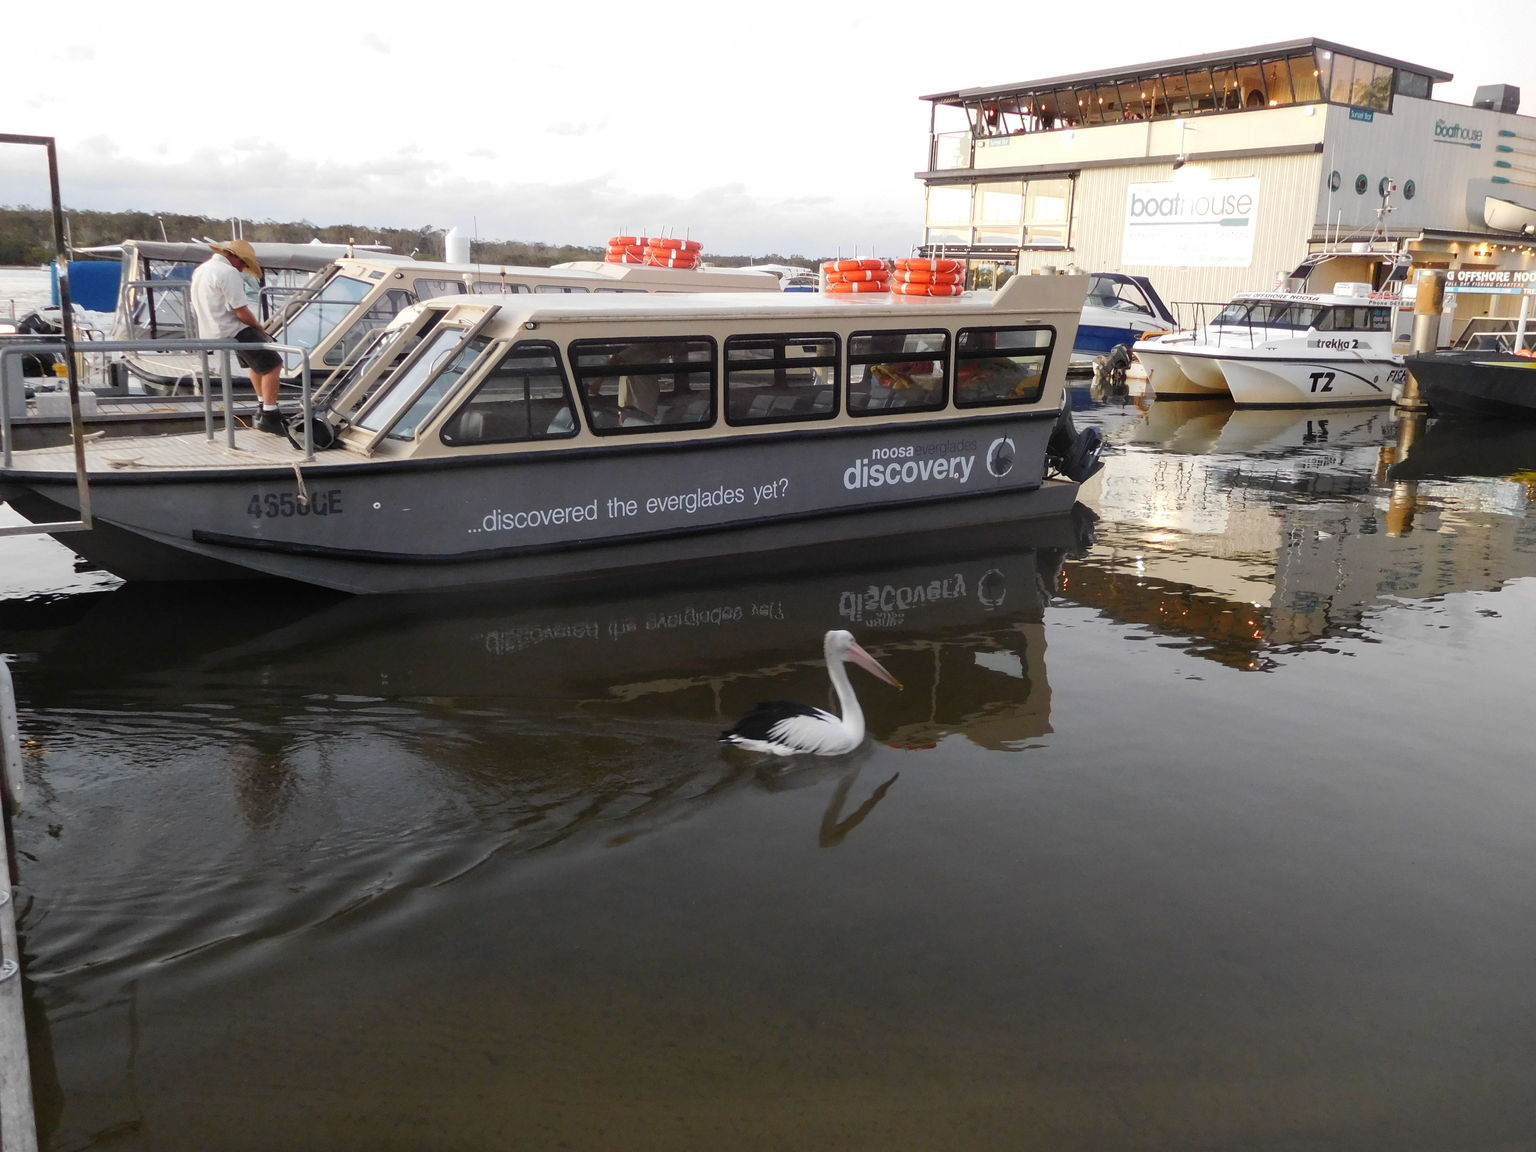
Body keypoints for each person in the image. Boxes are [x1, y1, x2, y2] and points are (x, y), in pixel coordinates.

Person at [189, 239, 285, 434]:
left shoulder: (202, 269)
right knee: (274, 365)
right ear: (233, 257)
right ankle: (270, 414)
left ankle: (262, 405)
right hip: (231, 327)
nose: (242, 268)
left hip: (211, 328)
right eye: (243, 263)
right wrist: (260, 328)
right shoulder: (228, 272)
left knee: (256, 365)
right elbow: (241, 311)